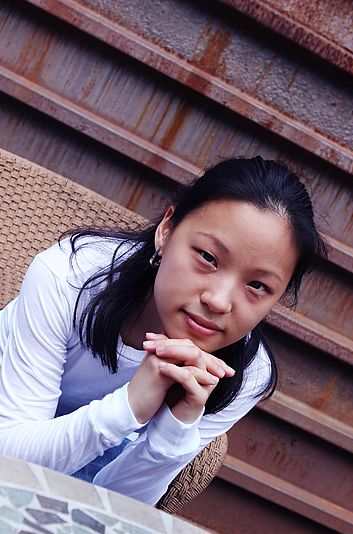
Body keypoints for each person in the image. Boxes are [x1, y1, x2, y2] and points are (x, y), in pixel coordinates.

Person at [0, 156, 327, 505]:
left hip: (84, 469)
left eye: (258, 286)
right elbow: (9, 463)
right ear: (167, 232)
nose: (218, 301)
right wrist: (128, 407)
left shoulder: (243, 374)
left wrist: (175, 427)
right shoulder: (69, 277)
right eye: (208, 258)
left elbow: (119, 512)